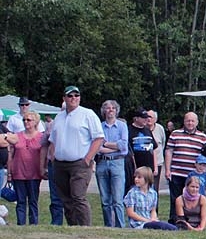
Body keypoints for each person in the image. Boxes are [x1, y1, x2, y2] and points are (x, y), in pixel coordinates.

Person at [47, 86, 103, 226]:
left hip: (79, 163)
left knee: (78, 196)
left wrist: (88, 158)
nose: (73, 98)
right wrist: (52, 157)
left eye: (76, 95)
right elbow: (53, 139)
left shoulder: (87, 114)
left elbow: (98, 138)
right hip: (60, 163)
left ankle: (85, 227)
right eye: (70, 96)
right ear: (64, 98)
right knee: (65, 198)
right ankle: (72, 226)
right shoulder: (59, 117)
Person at [4, 110, 47, 225]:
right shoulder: (16, 136)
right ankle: (20, 224)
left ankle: (33, 224)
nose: (26, 122)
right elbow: (10, 155)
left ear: (36, 122)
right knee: (21, 201)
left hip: (34, 174)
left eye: (29, 120)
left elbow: (44, 155)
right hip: (18, 173)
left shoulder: (41, 137)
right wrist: (9, 173)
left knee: (33, 201)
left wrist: (43, 169)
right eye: (24, 119)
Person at [164, 111, 206, 219]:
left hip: (194, 175)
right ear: (184, 121)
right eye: (188, 120)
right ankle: (175, 220)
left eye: (193, 121)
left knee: (193, 198)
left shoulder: (202, 137)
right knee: (176, 198)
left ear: (197, 122)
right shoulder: (175, 134)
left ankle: (192, 220)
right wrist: (167, 170)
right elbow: (169, 151)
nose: (190, 123)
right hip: (177, 172)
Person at [95, 99, 129, 227]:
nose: (110, 110)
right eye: (108, 108)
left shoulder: (122, 126)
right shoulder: (99, 126)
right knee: (105, 200)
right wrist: (114, 146)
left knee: (117, 200)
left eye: (113, 108)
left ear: (116, 111)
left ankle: (121, 226)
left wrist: (106, 144)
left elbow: (123, 146)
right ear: (104, 111)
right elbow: (97, 148)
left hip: (117, 163)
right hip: (102, 163)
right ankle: (108, 226)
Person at [124, 166, 177, 230]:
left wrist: (153, 218)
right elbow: (130, 213)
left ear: (147, 179)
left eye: (139, 177)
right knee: (161, 226)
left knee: (166, 226)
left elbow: (153, 210)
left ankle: (176, 229)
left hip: (150, 221)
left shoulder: (153, 193)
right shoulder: (132, 193)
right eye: (135, 177)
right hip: (138, 224)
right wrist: (146, 220)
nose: (136, 179)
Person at [147, 110, 166, 198]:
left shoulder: (160, 129)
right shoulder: (143, 128)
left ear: (155, 119)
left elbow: (162, 143)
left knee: (154, 188)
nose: (148, 119)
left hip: (157, 162)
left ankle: (155, 210)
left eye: (150, 117)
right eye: (147, 116)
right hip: (144, 163)